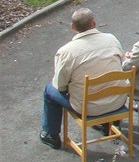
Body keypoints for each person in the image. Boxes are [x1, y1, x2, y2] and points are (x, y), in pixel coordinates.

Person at [39, 8, 126, 149]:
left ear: (73, 27)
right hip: (117, 101)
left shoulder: (66, 51)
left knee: (49, 90)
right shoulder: (112, 39)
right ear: (94, 24)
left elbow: (60, 86)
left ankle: (51, 134)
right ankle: (108, 124)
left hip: (88, 107)